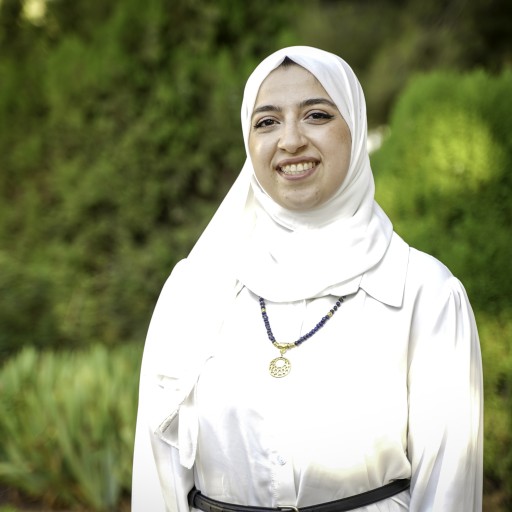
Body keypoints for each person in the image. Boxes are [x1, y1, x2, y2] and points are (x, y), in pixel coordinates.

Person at [131, 46, 483, 512]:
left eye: (316, 115)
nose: (291, 140)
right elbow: (157, 475)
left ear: (355, 129)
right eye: (267, 122)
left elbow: (448, 488)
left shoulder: (424, 293)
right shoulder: (195, 289)